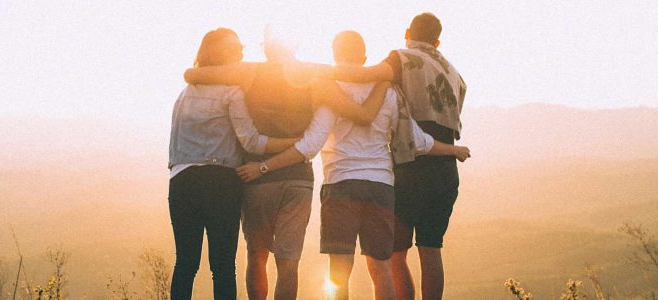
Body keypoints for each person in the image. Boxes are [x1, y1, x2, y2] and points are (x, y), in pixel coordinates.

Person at [235, 31, 470, 300]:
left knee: (339, 271)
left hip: (340, 185)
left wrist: (265, 166)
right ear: (365, 56)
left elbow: (310, 145)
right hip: (380, 187)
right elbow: (416, 140)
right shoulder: (390, 92)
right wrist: (453, 149)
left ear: (335, 54)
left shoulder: (330, 90)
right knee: (380, 268)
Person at [183, 27, 388, 300]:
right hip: (299, 180)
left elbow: (192, 74)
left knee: (257, 256)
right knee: (288, 263)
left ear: (266, 46)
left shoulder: (249, 72)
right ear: (294, 45)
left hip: (256, 177)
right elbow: (362, 114)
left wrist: (194, 72)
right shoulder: (315, 76)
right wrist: (386, 77)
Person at [324, 13, 468, 300]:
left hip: (410, 166)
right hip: (445, 168)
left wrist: (312, 72)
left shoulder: (400, 58)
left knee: (394, 254)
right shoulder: (454, 73)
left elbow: (363, 76)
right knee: (431, 249)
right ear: (437, 41)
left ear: (407, 32)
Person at [167, 28, 297, 300]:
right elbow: (250, 142)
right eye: (234, 48)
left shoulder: (184, 93)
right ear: (217, 52)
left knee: (185, 263)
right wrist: (292, 143)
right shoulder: (232, 92)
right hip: (220, 182)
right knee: (223, 266)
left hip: (181, 181)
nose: (240, 52)